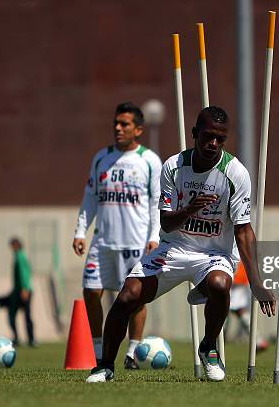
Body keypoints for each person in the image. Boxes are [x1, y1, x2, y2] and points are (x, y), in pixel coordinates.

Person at [86, 106, 276, 383]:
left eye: (220, 139)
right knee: (127, 296)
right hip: (173, 248)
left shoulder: (235, 173)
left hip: (213, 254)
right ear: (194, 134)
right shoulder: (174, 167)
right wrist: (189, 209)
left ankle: (209, 346)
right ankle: (105, 366)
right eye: (208, 136)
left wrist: (257, 283)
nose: (213, 144)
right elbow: (166, 223)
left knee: (221, 285)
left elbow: (244, 231)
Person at [73, 102, 162, 369]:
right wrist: (80, 231)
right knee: (90, 292)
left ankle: (132, 353)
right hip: (102, 242)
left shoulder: (149, 161)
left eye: (124, 124)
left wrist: (154, 236)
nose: (118, 128)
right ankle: (98, 351)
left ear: (138, 130)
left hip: (136, 243)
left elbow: (156, 202)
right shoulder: (101, 158)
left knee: (135, 300)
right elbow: (90, 197)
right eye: (116, 123)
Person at [227, 262, 269, 351]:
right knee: (237, 310)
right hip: (237, 272)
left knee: (237, 310)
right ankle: (258, 341)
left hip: (234, 272)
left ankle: (259, 341)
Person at [7, 237, 36, 347]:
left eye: (12, 245)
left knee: (26, 316)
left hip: (23, 291)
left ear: (16, 245)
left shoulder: (20, 256)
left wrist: (24, 289)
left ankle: (31, 339)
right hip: (18, 291)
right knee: (14, 315)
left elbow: (24, 273)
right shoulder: (18, 256)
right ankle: (20, 338)